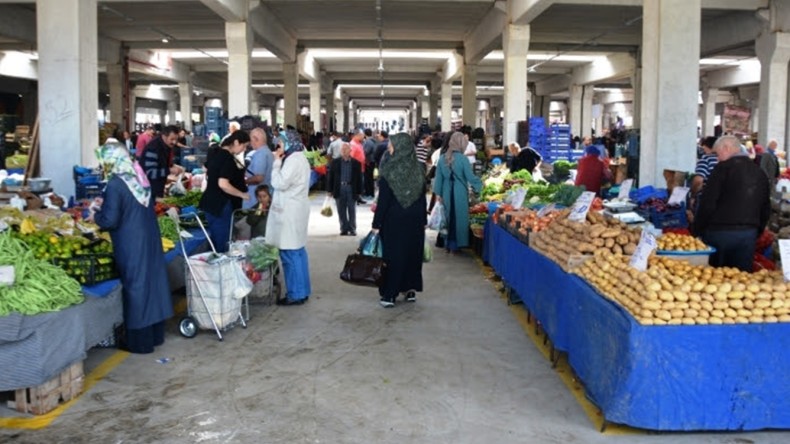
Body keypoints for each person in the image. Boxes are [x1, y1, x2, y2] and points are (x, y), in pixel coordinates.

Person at [90, 142, 172, 354]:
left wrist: (95, 215)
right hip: (149, 238)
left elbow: (110, 220)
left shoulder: (116, 183)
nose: (103, 165)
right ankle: (155, 336)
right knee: (152, 285)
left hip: (131, 242)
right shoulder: (138, 176)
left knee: (136, 288)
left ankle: (140, 342)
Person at [694, 135, 771, 272]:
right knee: (741, 278)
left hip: (719, 234)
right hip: (748, 234)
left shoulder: (722, 169)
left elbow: (708, 203)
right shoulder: (759, 172)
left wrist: (696, 230)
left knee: (716, 276)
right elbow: (765, 207)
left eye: (717, 154)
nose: (717, 159)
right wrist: (756, 231)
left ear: (726, 148)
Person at [372, 133, 427, 307]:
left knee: (394, 256)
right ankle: (409, 289)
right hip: (415, 219)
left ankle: (389, 294)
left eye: (392, 145)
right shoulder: (419, 168)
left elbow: (384, 201)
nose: (389, 148)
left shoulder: (389, 169)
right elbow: (422, 198)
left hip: (394, 220)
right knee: (412, 254)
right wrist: (424, 220)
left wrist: (376, 224)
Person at [266, 130, 312, 306]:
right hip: (296, 209)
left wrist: (276, 162)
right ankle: (302, 290)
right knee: (298, 252)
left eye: (281, 143)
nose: (279, 146)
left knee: (289, 253)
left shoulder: (292, 161)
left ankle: (295, 294)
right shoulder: (300, 158)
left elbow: (279, 183)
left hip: (289, 212)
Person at [198, 131, 251, 252]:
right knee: (223, 244)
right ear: (236, 142)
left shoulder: (216, 152)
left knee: (215, 240)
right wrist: (242, 194)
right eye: (244, 146)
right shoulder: (228, 159)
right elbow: (223, 184)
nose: (244, 149)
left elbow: (205, 168)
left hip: (209, 203)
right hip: (220, 205)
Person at [433, 131, 483, 253]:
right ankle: (458, 244)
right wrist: (480, 186)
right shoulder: (463, 159)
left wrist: (438, 194)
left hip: (446, 191)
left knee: (448, 217)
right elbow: (470, 177)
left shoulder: (442, 158)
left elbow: (438, 178)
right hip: (459, 191)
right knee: (460, 217)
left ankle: (448, 243)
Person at [327, 142, 363, 236]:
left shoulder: (356, 163)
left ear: (350, 150)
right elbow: (331, 177)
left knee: (352, 209)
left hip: (351, 188)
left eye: (346, 148)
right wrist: (329, 190)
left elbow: (359, 178)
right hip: (339, 188)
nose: (343, 150)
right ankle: (343, 228)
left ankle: (352, 228)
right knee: (341, 210)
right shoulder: (335, 162)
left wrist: (359, 191)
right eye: (342, 149)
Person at [141, 125, 184, 199]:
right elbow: (150, 173)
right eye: (172, 139)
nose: (174, 142)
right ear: (164, 136)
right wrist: (169, 170)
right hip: (148, 190)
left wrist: (172, 166)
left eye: (176, 139)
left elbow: (161, 162)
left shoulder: (166, 145)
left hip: (158, 186)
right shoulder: (153, 148)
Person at [243, 128, 274, 209]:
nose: (250, 144)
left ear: (256, 139)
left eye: (251, 140)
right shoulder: (268, 152)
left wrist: (244, 181)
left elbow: (259, 178)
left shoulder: (260, 154)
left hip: (255, 200)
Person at [689, 136, 719, 221]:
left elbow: (698, 180)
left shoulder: (706, 159)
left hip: (706, 198)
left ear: (707, 146)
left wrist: (693, 196)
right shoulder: (726, 160)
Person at [362, 128, 377, 198]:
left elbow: (365, 152)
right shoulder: (373, 141)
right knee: (370, 178)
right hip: (372, 162)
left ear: (365, 134)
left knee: (368, 179)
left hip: (368, 162)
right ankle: (370, 193)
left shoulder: (368, 142)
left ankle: (369, 194)